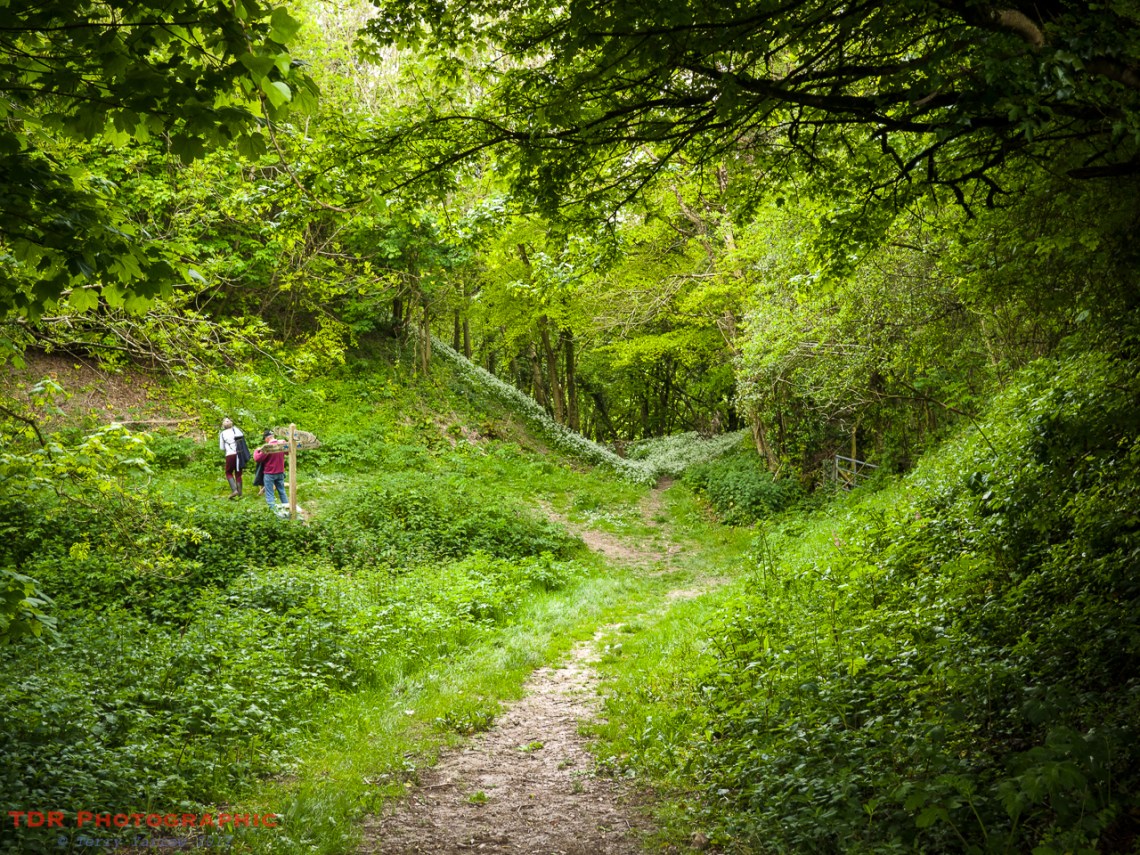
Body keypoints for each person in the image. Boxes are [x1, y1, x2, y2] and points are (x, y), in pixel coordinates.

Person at [253, 428, 289, 517]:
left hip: (269, 473)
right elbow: (288, 452)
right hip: (280, 472)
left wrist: (257, 450)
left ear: (266, 438)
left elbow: (257, 458)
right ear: (273, 436)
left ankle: (274, 513)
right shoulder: (281, 444)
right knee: (282, 491)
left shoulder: (267, 447)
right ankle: (288, 509)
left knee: (269, 494)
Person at [217, 417, 249, 500]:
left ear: (223, 425)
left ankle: (234, 490)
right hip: (239, 454)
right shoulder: (237, 430)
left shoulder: (222, 434)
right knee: (238, 473)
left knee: (228, 472)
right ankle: (240, 494)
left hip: (229, 455)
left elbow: (222, 448)